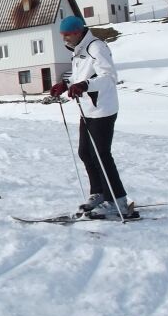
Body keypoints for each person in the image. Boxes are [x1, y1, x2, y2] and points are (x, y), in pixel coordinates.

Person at [50, 15, 130, 218]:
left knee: (101, 155)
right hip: (87, 110)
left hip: (103, 109)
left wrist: (85, 85)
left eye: (67, 35)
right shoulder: (79, 51)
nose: (64, 39)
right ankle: (99, 193)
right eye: (63, 35)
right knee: (85, 153)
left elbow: (108, 77)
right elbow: (81, 77)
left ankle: (118, 200)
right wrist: (67, 84)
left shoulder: (96, 48)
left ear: (77, 32)